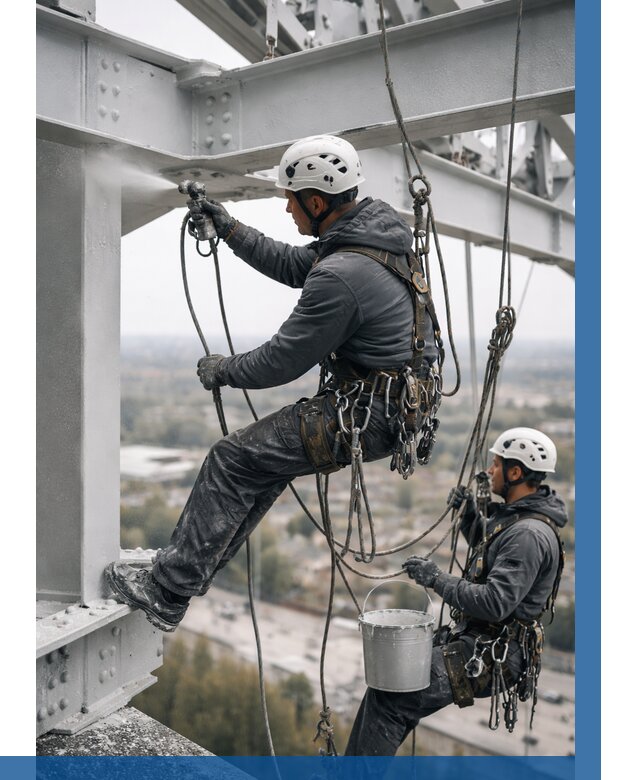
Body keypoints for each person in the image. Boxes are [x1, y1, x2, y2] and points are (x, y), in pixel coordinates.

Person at [106, 134, 441, 632]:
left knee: (231, 458)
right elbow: (291, 263)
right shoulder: (370, 245)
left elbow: (281, 361)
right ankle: (187, 570)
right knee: (261, 465)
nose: (286, 208)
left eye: (291, 199)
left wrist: (224, 369)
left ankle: (167, 591)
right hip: (392, 407)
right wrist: (229, 228)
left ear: (316, 202)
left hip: (370, 413)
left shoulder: (344, 272)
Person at [345, 427, 567, 756]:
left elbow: (495, 603)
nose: (490, 471)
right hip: (480, 640)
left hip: (494, 651)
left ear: (515, 473)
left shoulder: (528, 534)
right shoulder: (519, 520)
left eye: (496, 464)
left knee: (391, 696)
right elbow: (491, 554)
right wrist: (469, 517)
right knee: (390, 687)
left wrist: (436, 578)